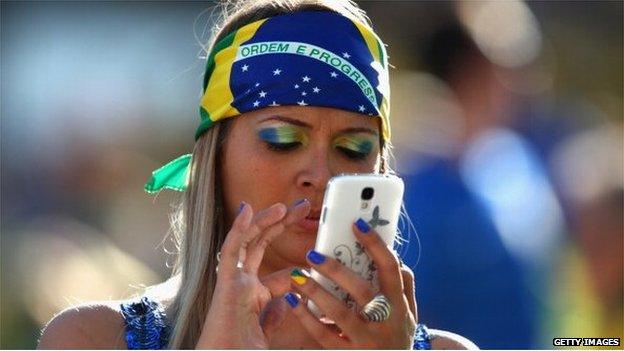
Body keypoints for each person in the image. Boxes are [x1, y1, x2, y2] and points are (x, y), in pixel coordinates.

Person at [38, 0, 477, 349]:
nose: (320, 175)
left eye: (354, 148)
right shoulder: (90, 340)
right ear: (217, 156)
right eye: (283, 140)